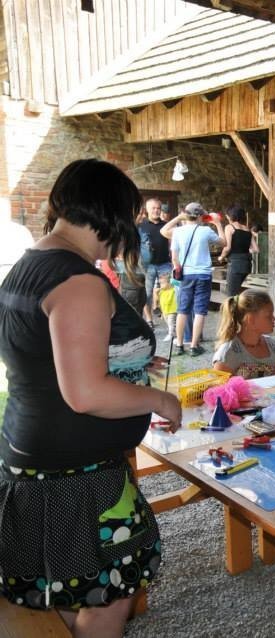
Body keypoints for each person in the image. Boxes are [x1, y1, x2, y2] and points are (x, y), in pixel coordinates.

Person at [0, 159, 182, 638]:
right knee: (108, 598)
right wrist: (158, 401)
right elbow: (84, 393)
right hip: (77, 477)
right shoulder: (78, 281)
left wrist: (126, 364)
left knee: (64, 587)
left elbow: (43, 355)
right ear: (115, 215)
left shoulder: (33, 261)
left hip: (35, 458)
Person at [161, 202, 224, 356]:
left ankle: (180, 345)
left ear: (185, 214)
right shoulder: (205, 231)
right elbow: (224, 242)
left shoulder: (178, 231)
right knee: (200, 311)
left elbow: (174, 256)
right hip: (203, 274)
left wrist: (178, 217)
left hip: (186, 275)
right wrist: (217, 223)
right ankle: (194, 346)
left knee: (183, 310)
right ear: (201, 215)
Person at [212, 290, 275, 379]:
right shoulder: (227, 355)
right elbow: (220, 391)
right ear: (251, 320)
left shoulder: (273, 346)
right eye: (268, 315)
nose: (274, 318)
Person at [138, 197, 172, 326]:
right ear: (147, 210)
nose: (156, 211)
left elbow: (172, 244)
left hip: (164, 264)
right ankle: (149, 319)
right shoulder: (141, 226)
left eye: (158, 208)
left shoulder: (166, 225)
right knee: (147, 294)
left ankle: (169, 320)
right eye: (153, 208)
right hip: (147, 266)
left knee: (167, 293)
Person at [219, 205, 254, 296]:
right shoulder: (247, 229)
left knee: (231, 294)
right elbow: (255, 249)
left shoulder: (229, 227)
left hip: (235, 265)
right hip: (247, 265)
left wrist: (221, 257)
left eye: (227, 215)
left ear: (230, 216)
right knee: (238, 292)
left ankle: (232, 310)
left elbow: (227, 247)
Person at [156, 272, 179, 342]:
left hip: (172, 310)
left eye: (163, 283)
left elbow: (177, 284)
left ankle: (171, 335)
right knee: (169, 323)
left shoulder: (173, 289)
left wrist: (173, 281)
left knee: (172, 323)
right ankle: (174, 334)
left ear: (169, 283)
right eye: (160, 283)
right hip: (165, 310)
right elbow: (159, 300)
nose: (161, 285)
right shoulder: (161, 291)